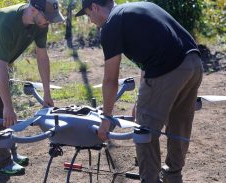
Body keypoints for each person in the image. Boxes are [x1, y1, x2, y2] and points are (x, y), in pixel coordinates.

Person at [76, 0, 203, 182]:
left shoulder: (111, 25)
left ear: (95, 7)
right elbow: (150, 54)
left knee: (144, 130)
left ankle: (150, 179)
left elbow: (110, 79)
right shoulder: (136, 8)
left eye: (88, 14)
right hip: (194, 63)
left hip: (167, 68)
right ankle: (173, 175)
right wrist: (139, 101)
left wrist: (106, 118)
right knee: (179, 124)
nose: (90, 20)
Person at [0, 0, 64, 175]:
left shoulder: (40, 23)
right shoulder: (6, 22)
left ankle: (12, 153)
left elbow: (42, 57)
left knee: (5, 111)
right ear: (33, 9)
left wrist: (47, 93)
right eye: (47, 17)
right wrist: (8, 106)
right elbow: (0, 69)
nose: (49, 22)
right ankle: (0, 162)